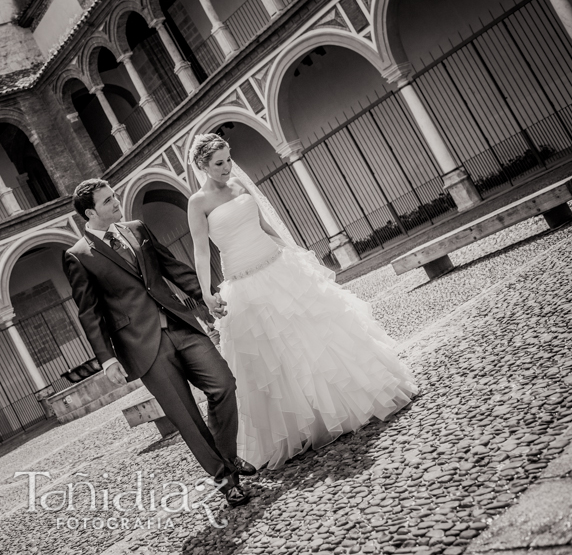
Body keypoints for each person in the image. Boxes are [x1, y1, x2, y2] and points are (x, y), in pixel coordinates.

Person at [187, 133, 418, 469]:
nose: (226, 167)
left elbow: (265, 225)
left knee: (313, 337)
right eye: (219, 163)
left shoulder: (239, 184)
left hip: (276, 266)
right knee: (273, 355)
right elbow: (200, 248)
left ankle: (344, 404)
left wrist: (294, 254)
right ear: (203, 166)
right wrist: (206, 292)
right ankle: (304, 422)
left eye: (228, 158)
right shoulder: (198, 202)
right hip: (243, 281)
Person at [63, 179, 256, 507]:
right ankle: (227, 482)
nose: (116, 202)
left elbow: (172, 268)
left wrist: (205, 295)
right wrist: (107, 358)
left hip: (181, 325)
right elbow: (89, 313)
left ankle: (225, 456)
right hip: (143, 346)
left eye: (114, 195)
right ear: (90, 212)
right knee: (187, 418)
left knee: (223, 385)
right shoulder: (78, 256)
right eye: (108, 201)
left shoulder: (137, 228)